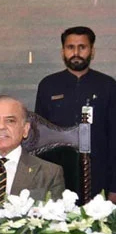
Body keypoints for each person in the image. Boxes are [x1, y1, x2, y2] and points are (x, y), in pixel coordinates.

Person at [34, 26, 116, 203]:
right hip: (57, 175)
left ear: (92, 51)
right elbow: (39, 138)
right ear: (63, 51)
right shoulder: (48, 85)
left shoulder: (107, 85)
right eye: (71, 47)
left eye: (82, 47)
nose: (76, 52)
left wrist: (114, 186)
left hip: (99, 174)